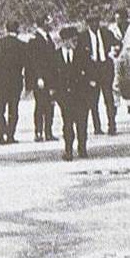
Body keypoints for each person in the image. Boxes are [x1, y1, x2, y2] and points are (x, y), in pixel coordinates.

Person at [53, 26, 97, 161]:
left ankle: (82, 148)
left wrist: (91, 84)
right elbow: (53, 74)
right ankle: (68, 150)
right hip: (65, 95)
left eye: (76, 40)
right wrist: (54, 92)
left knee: (82, 122)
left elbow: (90, 70)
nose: (75, 43)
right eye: (73, 40)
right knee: (67, 123)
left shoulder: (82, 53)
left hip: (80, 94)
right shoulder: (56, 55)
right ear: (65, 40)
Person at [0, 23, 27, 144]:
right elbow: (26, 65)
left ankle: (1, 132)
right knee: (13, 109)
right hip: (15, 82)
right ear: (18, 30)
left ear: (6, 29)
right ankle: (10, 134)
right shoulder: (21, 45)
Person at [86, 11, 120, 135]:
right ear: (88, 24)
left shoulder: (106, 33)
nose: (95, 24)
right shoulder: (84, 37)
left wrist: (114, 51)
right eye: (92, 22)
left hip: (105, 67)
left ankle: (112, 125)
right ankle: (97, 126)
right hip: (92, 69)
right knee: (93, 100)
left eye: (97, 21)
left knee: (109, 98)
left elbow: (118, 43)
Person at [25, 21, 59, 143]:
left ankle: (48, 131)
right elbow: (34, 61)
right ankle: (38, 131)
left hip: (50, 77)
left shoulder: (48, 38)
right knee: (40, 105)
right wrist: (38, 77)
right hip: (41, 78)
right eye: (48, 21)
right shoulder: (34, 40)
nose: (50, 24)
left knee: (50, 105)